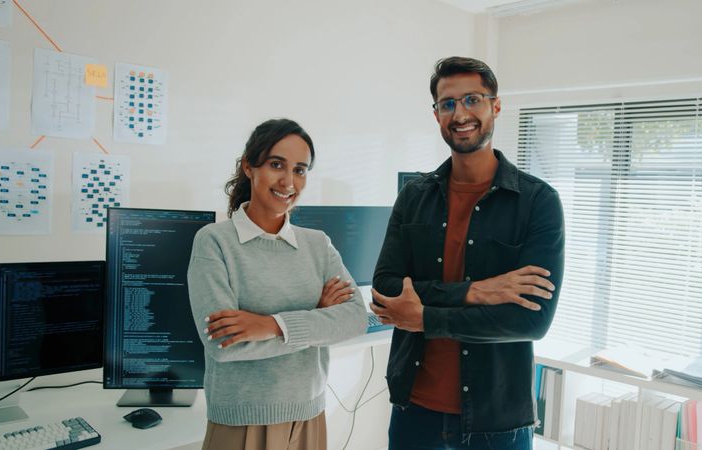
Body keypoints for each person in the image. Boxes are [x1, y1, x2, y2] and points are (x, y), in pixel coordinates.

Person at [370, 57, 565, 450]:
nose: (460, 114)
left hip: (498, 421)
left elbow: (532, 321)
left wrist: (425, 317)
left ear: (495, 106)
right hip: (415, 414)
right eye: (448, 104)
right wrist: (475, 292)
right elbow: (386, 289)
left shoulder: (537, 201)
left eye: (472, 99)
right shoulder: (414, 197)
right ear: (436, 114)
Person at [188, 118, 368, 450]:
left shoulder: (317, 244)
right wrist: (317, 317)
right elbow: (224, 344)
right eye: (276, 165)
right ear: (249, 166)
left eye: (300, 170)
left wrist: (270, 325)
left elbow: (356, 318)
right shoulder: (214, 242)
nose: (289, 181)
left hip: (310, 418)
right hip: (241, 422)